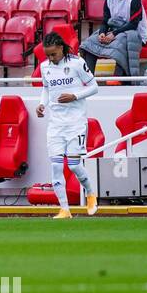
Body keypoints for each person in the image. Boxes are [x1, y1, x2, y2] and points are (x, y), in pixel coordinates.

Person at [35, 31, 99, 219]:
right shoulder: (45, 67)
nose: (50, 58)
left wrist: (74, 96)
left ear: (61, 48)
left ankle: (90, 192)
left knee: (73, 165)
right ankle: (64, 209)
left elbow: (94, 86)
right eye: (47, 55)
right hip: (55, 125)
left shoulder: (77, 63)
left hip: (76, 123)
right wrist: (41, 104)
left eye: (53, 54)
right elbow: (46, 89)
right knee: (55, 166)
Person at [80, 0, 147, 81]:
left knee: (120, 44)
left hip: (134, 32)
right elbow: (105, 21)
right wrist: (102, 32)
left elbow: (134, 24)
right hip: (114, 30)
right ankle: (88, 79)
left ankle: (119, 80)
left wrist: (113, 34)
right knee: (88, 44)